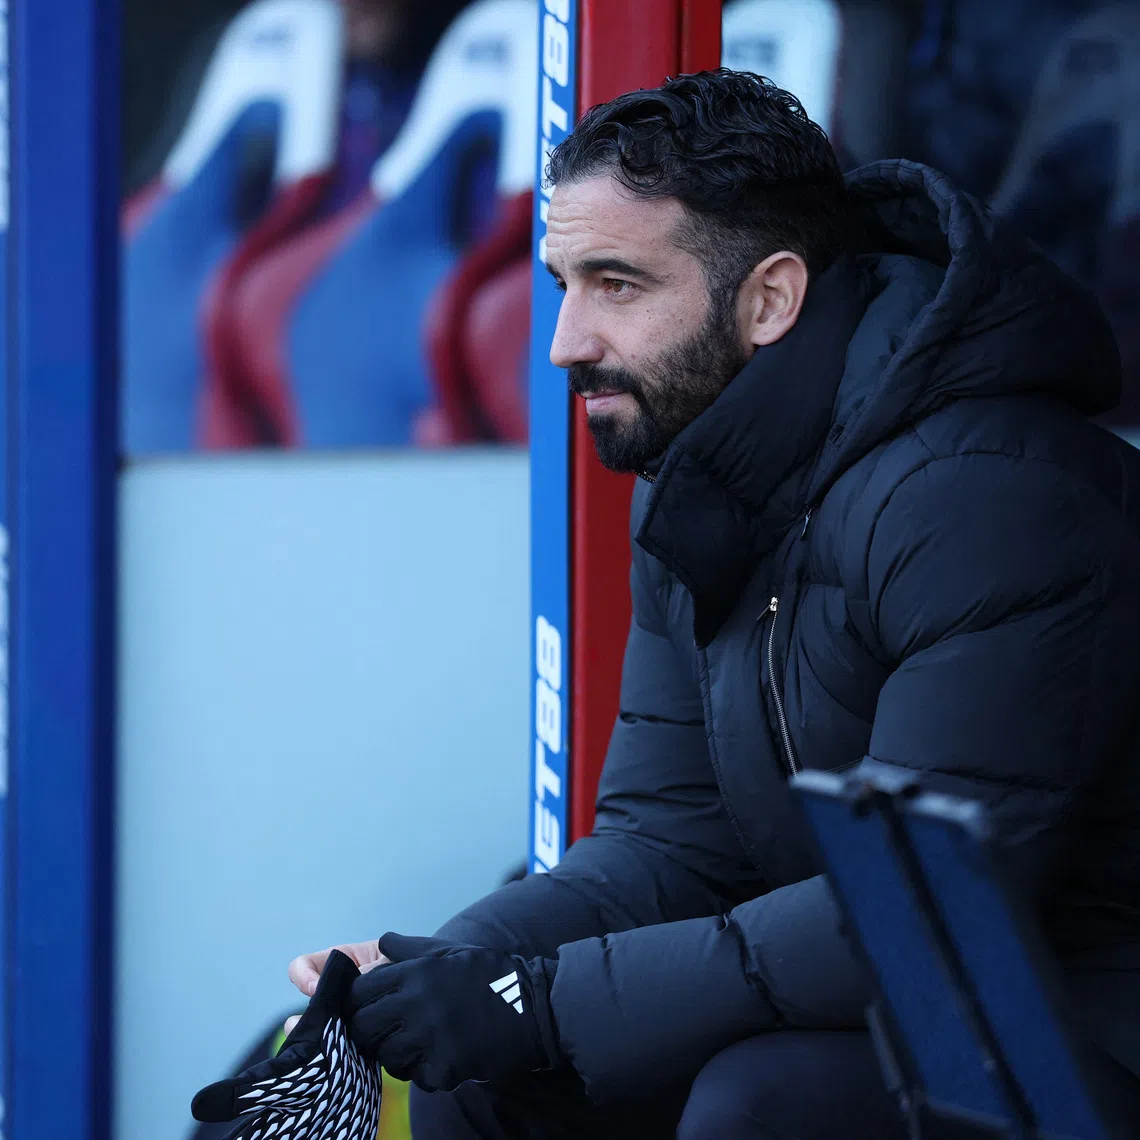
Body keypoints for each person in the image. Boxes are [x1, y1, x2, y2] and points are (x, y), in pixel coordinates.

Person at [287, 70, 1140, 1138]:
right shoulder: (709, 489)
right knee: (482, 1083)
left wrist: (534, 999)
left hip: (1084, 1031)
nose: (565, 342)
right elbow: (669, 847)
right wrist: (444, 972)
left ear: (770, 298)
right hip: (896, 1010)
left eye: (617, 284)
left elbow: (927, 908)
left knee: (760, 1107)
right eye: (563, 284)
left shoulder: (985, 495)